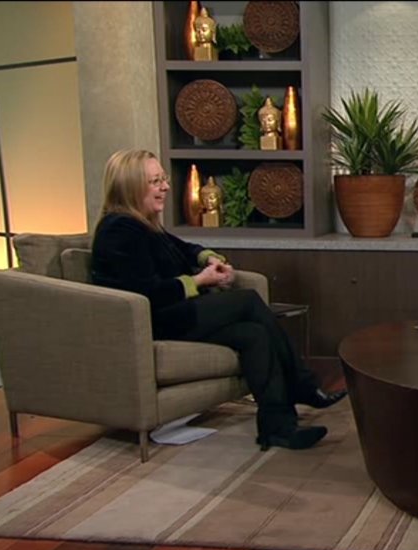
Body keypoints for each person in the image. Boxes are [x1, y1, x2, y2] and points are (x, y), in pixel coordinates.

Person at [90, 150, 346, 452]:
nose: (166, 187)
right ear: (131, 186)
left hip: (174, 315)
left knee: (254, 334)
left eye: (164, 179)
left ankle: (278, 428)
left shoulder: (145, 225)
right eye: (155, 181)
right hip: (154, 321)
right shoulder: (119, 230)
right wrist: (201, 281)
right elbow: (147, 292)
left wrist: (209, 258)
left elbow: (184, 248)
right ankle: (303, 384)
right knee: (248, 301)